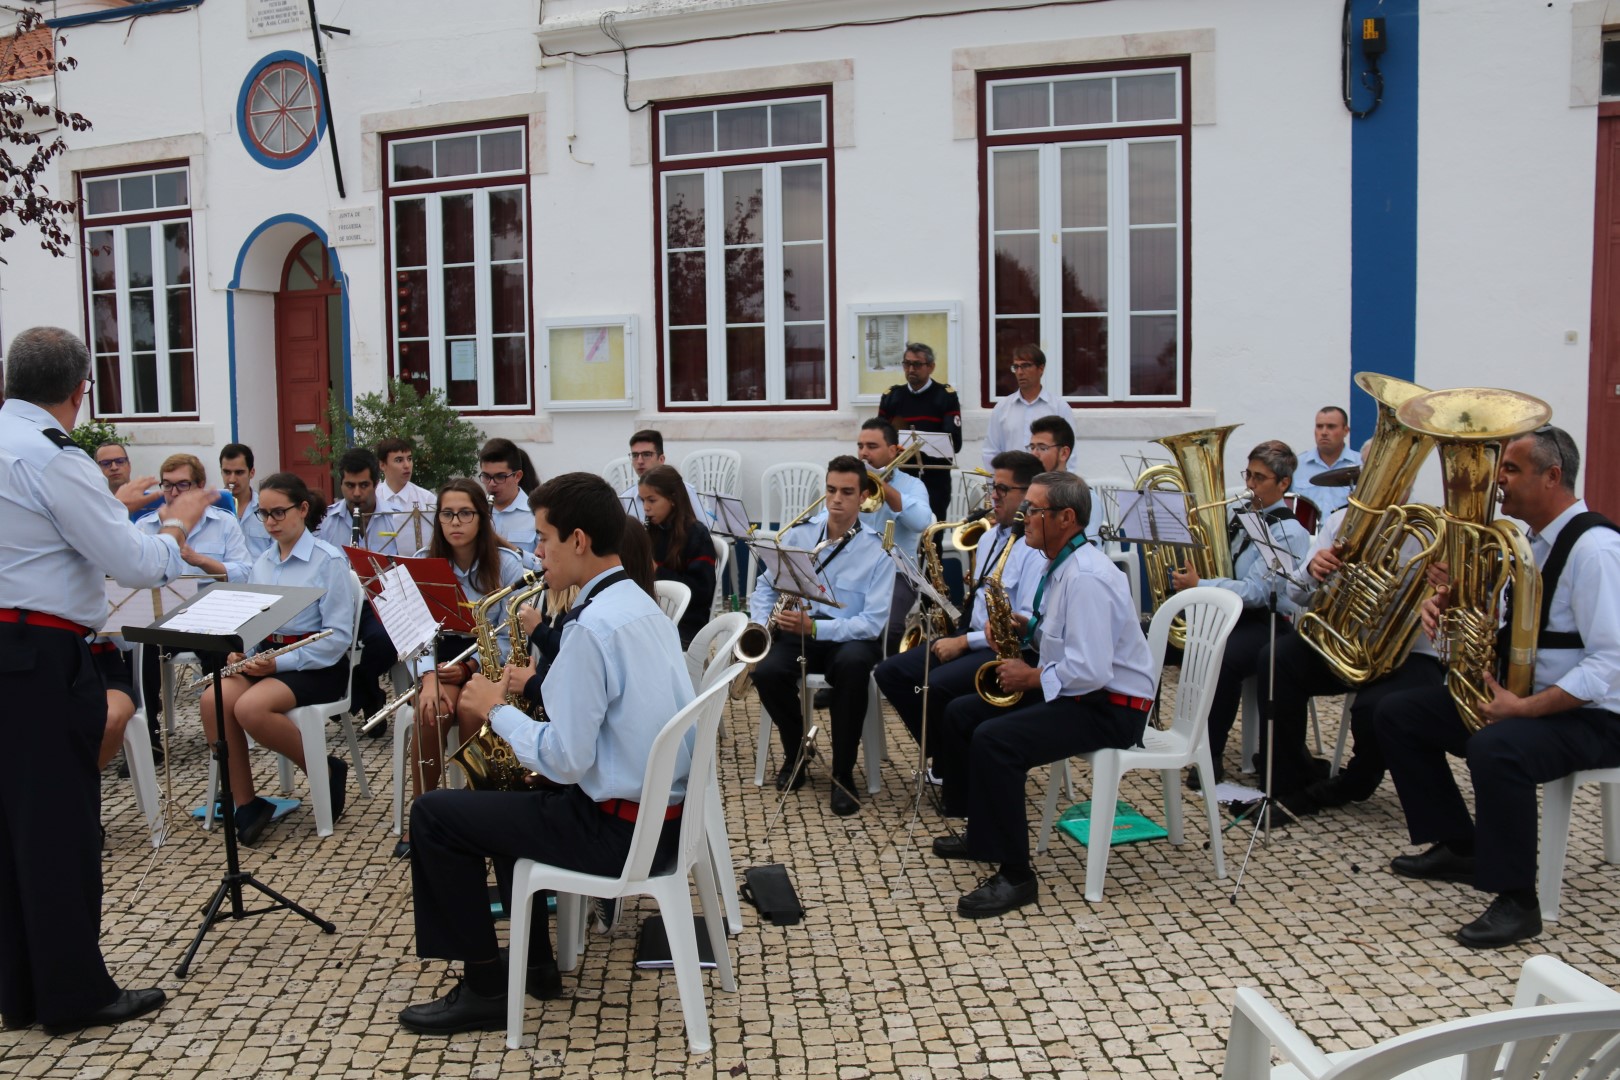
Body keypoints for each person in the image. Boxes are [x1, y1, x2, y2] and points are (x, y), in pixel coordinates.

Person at [398, 472, 694, 1035]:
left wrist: (493, 707)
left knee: (433, 815)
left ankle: (485, 986)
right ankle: (534, 966)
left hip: (619, 836)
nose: (536, 552)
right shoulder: (638, 603)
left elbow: (565, 759)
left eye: (542, 539)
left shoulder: (591, 627)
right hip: (661, 823)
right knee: (510, 797)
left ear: (578, 540)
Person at [0, 325, 212, 1034]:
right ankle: (74, 995)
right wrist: (178, 523)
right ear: (78, 392)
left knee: (13, 828)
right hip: (41, 654)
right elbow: (136, 565)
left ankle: (21, 989)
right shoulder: (55, 456)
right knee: (58, 829)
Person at [1377, 425, 1620, 948]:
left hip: (1595, 716)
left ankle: (1518, 900)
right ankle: (1463, 846)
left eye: (1510, 469)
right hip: (1531, 699)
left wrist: (1526, 709)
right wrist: (1449, 603)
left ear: (1552, 476)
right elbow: (1508, 623)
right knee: (1396, 714)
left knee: (1496, 749)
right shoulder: (1525, 543)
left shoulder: (1596, 550)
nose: (1498, 480)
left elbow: (1611, 662)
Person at [930, 472, 1155, 918]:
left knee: (997, 740)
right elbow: (1065, 639)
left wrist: (1030, 678)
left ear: (1065, 518)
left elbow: (1091, 670)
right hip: (1083, 694)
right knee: (961, 713)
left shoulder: (1086, 577)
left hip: (1111, 707)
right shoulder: (1063, 564)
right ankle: (981, 835)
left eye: (1033, 510)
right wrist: (1024, 627)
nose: (1023, 518)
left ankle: (1017, 876)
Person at [1250, 501, 1444, 815]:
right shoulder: (1342, 521)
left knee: (1375, 708)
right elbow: (1296, 592)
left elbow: (1480, 605)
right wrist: (1313, 570)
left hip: (1410, 655)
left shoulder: (1431, 532)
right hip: (1346, 643)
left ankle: (1353, 783)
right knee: (1277, 659)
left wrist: (1449, 586)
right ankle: (1286, 784)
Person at [201, 471, 357, 847]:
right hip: (271, 658)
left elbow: (338, 639)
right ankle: (247, 803)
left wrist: (278, 664)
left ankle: (321, 768)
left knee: (251, 709)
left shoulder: (328, 560)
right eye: (264, 514)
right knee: (212, 700)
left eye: (278, 513)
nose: (270, 522)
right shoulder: (263, 562)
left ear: (302, 510)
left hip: (316, 665)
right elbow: (257, 622)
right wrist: (244, 651)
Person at [873, 451, 1045, 771]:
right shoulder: (992, 534)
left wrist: (964, 643)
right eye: (993, 486)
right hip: (972, 633)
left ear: (1028, 495)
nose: (993, 495)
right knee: (890, 672)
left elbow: (1021, 625)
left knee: (936, 685)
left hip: (1002, 648)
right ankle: (947, 757)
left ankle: (951, 766)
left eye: (1003, 489)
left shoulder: (1034, 547)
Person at [748, 457, 895, 816]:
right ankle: (798, 749)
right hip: (800, 633)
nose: (837, 499)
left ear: (864, 497)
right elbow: (765, 586)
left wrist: (815, 627)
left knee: (852, 668)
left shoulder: (879, 550)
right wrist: (761, 624)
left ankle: (843, 772)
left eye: (847, 492)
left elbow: (872, 623)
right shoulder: (798, 535)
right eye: (831, 490)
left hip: (849, 638)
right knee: (765, 672)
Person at [396, 479, 530, 858]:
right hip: (437, 658)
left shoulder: (507, 564)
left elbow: (509, 636)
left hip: (487, 660)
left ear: (482, 518)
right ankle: (421, 815)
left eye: (465, 514)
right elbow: (414, 633)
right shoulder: (423, 562)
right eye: (447, 514)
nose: (455, 522)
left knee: (475, 711)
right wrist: (427, 677)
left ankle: (473, 818)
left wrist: (471, 664)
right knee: (431, 710)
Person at [1169, 440, 1313, 783]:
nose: (1249, 484)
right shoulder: (1242, 517)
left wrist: (1201, 583)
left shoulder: (1289, 531)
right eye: (1248, 475)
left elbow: (1258, 592)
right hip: (1232, 615)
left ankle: (1210, 754)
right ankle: (1159, 735)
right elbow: (1227, 569)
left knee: (1224, 657)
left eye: (1259, 478)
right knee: (1162, 640)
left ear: (1283, 484)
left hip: (1269, 622)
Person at [875, 343, 962, 520]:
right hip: (899, 477)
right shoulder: (892, 396)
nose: (911, 369)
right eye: (906, 364)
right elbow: (879, 439)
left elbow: (955, 443)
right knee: (896, 527)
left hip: (935, 479)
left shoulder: (945, 396)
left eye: (917, 364)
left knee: (932, 532)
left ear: (931, 367)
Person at [135, 454, 252, 583]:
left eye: (183, 484)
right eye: (167, 485)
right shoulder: (144, 526)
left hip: (209, 600)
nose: (174, 493)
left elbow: (244, 574)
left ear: (201, 485)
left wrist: (200, 560)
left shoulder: (225, 522)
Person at [640, 464, 716, 647]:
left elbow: (700, 593)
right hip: (654, 615)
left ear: (673, 499)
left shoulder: (697, 535)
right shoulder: (651, 532)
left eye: (652, 500)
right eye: (643, 501)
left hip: (686, 623)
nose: (646, 508)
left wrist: (657, 571)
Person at [981, 345, 1077, 471]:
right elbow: (991, 451)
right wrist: (997, 485)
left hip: (1047, 484)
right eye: (1016, 367)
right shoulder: (1002, 407)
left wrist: (1062, 486)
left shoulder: (1059, 407)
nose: (1020, 372)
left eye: (1025, 366)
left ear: (1041, 368)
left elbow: (1070, 453)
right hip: (1012, 485)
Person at [617, 429, 706, 522]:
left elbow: (704, 529)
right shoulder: (626, 498)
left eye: (646, 454)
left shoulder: (685, 490)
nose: (639, 461)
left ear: (661, 459)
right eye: (635, 455)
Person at [1293, 407, 1363, 517]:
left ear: (1346, 431)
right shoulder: (1296, 465)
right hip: (1308, 533)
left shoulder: (1362, 464)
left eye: (1331, 427)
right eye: (1319, 426)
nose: (1324, 432)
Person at [479, 438, 540, 557]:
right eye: (486, 476)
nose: (491, 483)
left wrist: (505, 545)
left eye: (500, 476)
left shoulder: (537, 514)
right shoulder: (474, 511)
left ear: (517, 476)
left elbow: (544, 565)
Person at [376, 437, 437, 555]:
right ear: (383, 465)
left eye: (409, 459)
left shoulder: (427, 498)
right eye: (399, 460)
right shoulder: (373, 498)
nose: (407, 465)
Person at [220, 442, 273, 560]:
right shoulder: (211, 511)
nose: (232, 479)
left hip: (259, 577)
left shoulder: (268, 508)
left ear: (252, 472)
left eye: (239, 472)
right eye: (227, 472)